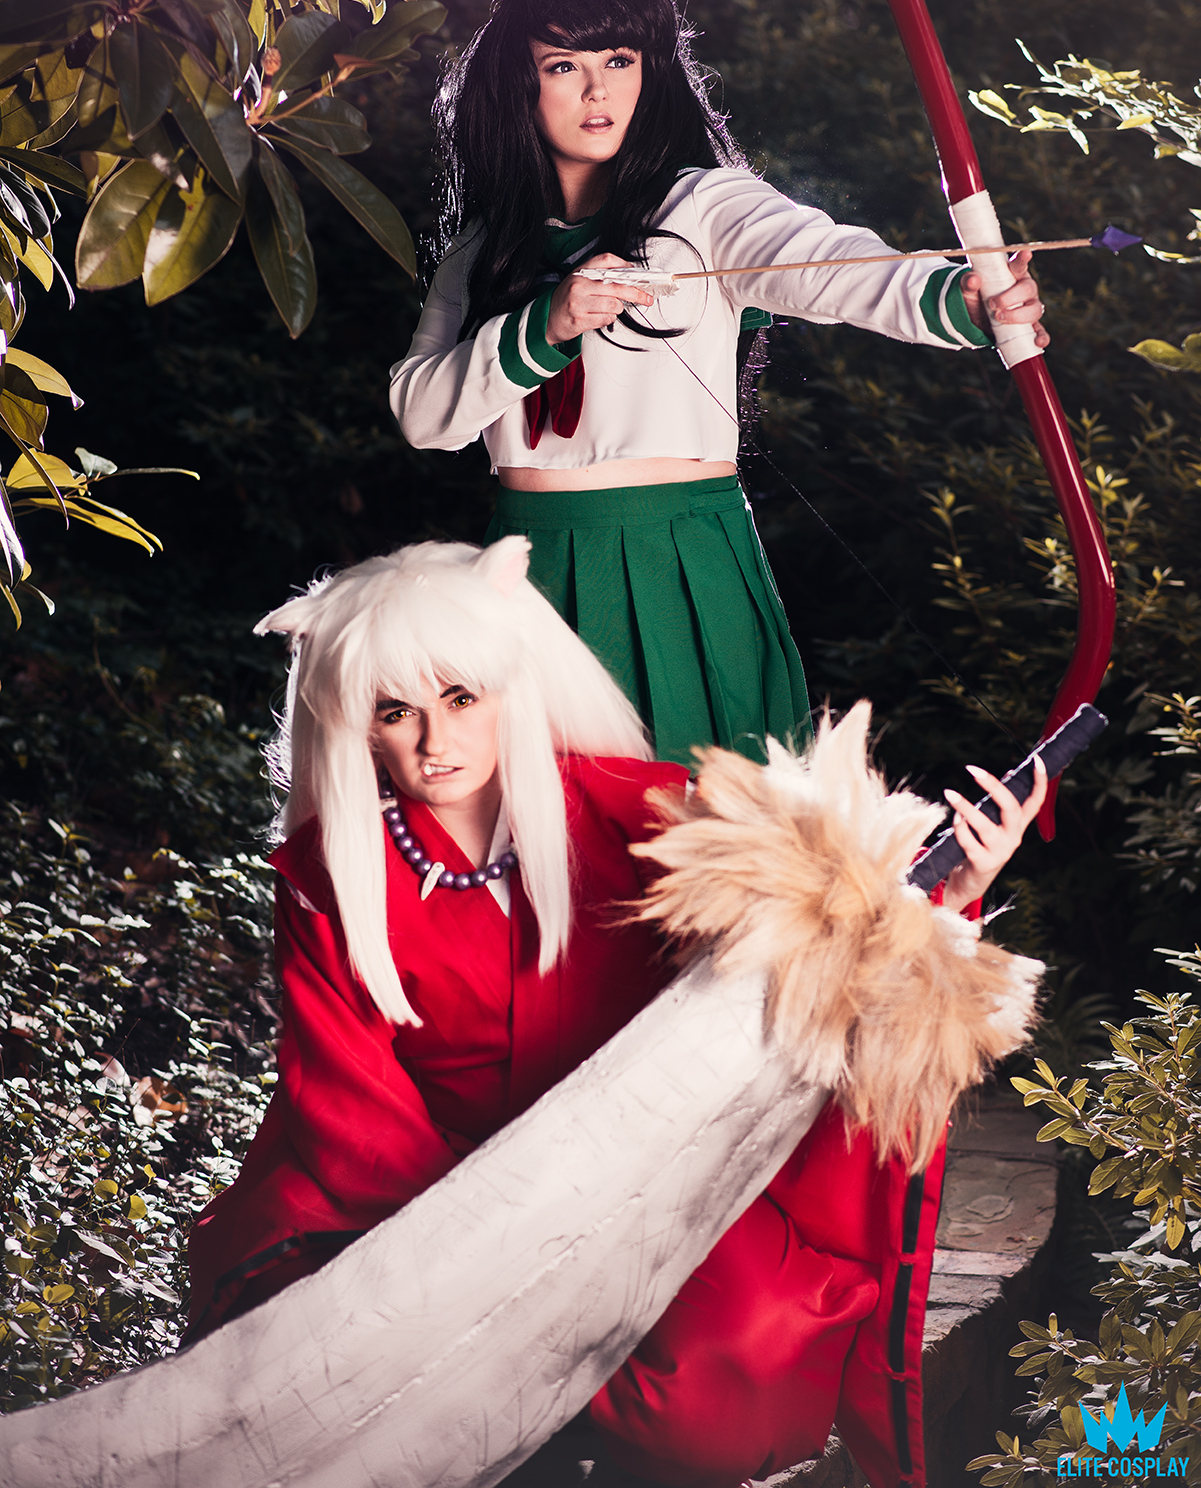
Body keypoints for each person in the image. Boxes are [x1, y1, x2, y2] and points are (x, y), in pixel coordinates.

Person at [185, 536, 1046, 1488]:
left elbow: (828, 924)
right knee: (325, 1374)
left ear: (511, 686)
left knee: (729, 1384)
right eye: (398, 711)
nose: (436, 741)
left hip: (646, 1185)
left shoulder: (642, 812)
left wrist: (946, 890)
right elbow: (347, 1108)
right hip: (415, 1204)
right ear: (359, 726)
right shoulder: (326, 877)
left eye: (462, 698)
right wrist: (493, 1242)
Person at [390, 0, 1048, 769]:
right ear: (520, 85)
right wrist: (548, 322)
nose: (597, 91)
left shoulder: (702, 204)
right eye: (564, 65)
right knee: (542, 850)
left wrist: (962, 300)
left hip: (679, 560)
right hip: (526, 567)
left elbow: (828, 264)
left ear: (650, 71)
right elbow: (423, 418)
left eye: (619, 61)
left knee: (700, 829)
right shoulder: (482, 252)